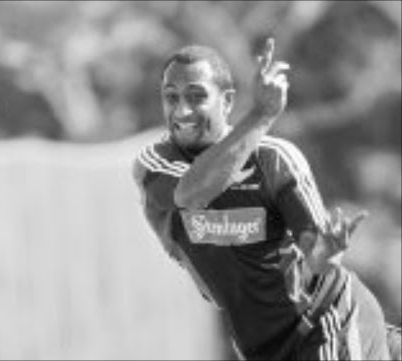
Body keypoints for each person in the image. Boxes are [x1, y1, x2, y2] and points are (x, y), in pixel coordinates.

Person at [132, 38, 399, 360]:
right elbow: (191, 194)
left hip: (324, 319)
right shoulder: (156, 163)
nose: (181, 110)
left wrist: (323, 257)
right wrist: (261, 115)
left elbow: (317, 256)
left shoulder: (274, 160)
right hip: (259, 346)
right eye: (170, 97)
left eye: (197, 96)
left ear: (227, 101)